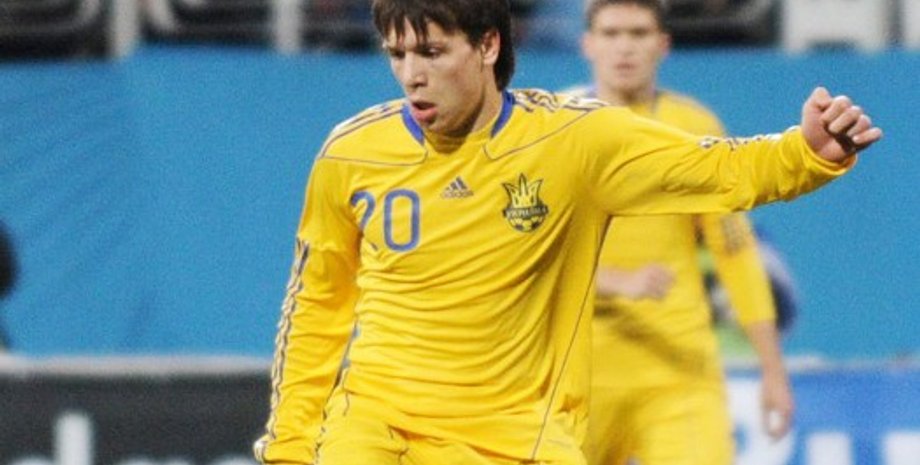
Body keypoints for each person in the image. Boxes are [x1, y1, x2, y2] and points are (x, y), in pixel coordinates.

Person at [252, 1, 881, 464]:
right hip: (376, 426)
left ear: (488, 46)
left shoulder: (573, 141)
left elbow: (724, 173)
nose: (411, 74)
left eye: (432, 52)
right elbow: (317, 306)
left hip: (521, 434)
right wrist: (289, 446)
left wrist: (808, 152)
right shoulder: (351, 153)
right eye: (398, 55)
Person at [568, 1, 794, 464]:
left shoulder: (694, 128)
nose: (624, 47)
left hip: (678, 373)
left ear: (663, 44)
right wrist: (615, 280)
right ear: (587, 45)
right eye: (611, 34)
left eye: (638, 33)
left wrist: (773, 370)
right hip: (579, 373)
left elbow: (735, 252)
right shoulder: (557, 128)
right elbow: (523, 253)